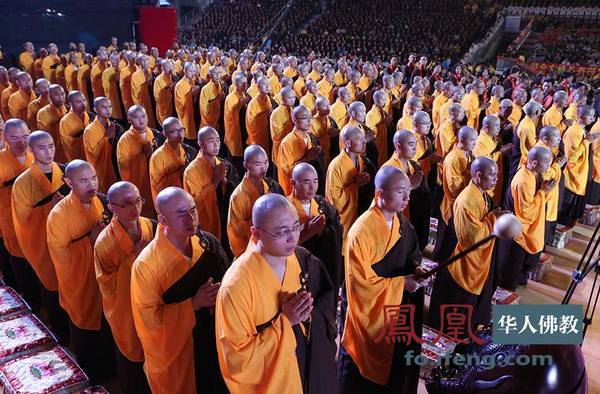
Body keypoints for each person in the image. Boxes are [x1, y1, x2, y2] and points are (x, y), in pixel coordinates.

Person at [216, 193, 337, 394]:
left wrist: (309, 318)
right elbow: (238, 361)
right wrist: (286, 322)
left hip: (308, 367)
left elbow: (324, 312)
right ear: (255, 233)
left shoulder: (301, 259)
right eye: (281, 233)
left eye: (296, 227)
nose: (292, 238)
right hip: (276, 383)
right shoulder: (235, 286)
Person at [338, 166, 429, 394]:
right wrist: (401, 284)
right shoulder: (361, 232)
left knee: (394, 370)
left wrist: (417, 268)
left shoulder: (400, 222)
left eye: (408, 191)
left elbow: (412, 252)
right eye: (400, 192)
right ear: (379, 193)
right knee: (361, 376)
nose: (407, 198)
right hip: (368, 315)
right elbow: (360, 286)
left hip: (394, 310)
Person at [131, 187, 229, 394]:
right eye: (181, 214)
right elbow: (149, 321)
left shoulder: (207, 243)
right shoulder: (146, 264)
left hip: (214, 339)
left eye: (193, 210)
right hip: (181, 351)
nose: (191, 219)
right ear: (163, 220)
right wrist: (193, 304)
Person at [46, 160, 116, 381]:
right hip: (80, 284)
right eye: (84, 180)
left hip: (104, 279)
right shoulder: (58, 215)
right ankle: (92, 377)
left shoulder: (101, 203)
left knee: (108, 328)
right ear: (68, 182)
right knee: (87, 332)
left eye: (93, 178)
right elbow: (61, 256)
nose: (91, 184)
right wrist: (91, 242)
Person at [429, 157, 501, 333]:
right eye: (492, 175)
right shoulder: (466, 200)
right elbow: (472, 237)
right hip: (459, 257)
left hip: (475, 256)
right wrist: (493, 219)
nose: (496, 179)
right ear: (477, 175)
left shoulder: (483, 194)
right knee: (455, 298)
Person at [94, 181, 153, 394]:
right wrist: (132, 260)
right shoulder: (104, 243)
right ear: (111, 207)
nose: (135, 208)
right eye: (127, 204)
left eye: (138, 201)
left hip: (149, 298)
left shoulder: (147, 224)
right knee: (131, 352)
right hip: (125, 308)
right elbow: (107, 285)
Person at [11, 130, 70, 341]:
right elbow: (23, 220)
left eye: (51, 146)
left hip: (66, 241)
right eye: (41, 148)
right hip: (42, 243)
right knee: (51, 284)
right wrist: (50, 209)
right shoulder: (22, 183)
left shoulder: (62, 172)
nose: (48, 152)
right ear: (31, 150)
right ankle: (60, 331)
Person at [501, 146, 555, 290]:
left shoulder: (533, 174)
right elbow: (526, 212)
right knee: (513, 267)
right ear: (535, 163)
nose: (549, 167)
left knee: (522, 266)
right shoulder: (523, 180)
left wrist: (544, 190)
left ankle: (519, 282)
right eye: (547, 163)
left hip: (525, 227)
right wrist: (543, 192)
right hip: (518, 230)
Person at [288, 163, 343, 301]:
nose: (312, 187)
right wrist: (307, 231)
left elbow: (337, 226)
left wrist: (328, 230)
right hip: (299, 268)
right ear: (293, 182)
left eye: (315, 181)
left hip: (324, 264)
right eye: (307, 182)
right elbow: (282, 242)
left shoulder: (322, 204)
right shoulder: (286, 208)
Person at [0, 119, 39, 307]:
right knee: (20, 266)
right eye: (15, 137)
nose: (21, 142)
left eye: (25, 136)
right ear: (5, 137)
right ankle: (28, 303)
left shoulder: (36, 155)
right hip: (11, 221)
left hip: (37, 220)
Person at [183, 126, 239, 256]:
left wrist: (224, 182)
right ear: (200, 143)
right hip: (208, 221)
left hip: (224, 216)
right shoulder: (192, 171)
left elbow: (231, 190)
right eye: (210, 141)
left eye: (218, 140)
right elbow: (195, 203)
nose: (216, 145)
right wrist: (215, 181)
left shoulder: (221, 163)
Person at [227, 145, 283, 257]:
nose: (263, 168)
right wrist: (262, 219)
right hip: (250, 247)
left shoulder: (270, 186)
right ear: (245, 165)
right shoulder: (238, 195)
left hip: (270, 243)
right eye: (258, 164)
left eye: (266, 162)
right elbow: (236, 229)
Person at [325, 125, 375, 248]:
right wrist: (355, 185)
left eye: (364, 139)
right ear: (347, 143)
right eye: (360, 139)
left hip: (361, 213)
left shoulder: (363, 161)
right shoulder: (336, 166)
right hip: (345, 219)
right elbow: (335, 200)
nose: (364, 142)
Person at [435, 126, 477, 261]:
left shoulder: (468, 154)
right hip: (451, 205)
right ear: (461, 140)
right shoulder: (452, 158)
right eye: (472, 141)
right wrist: (468, 174)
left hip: (462, 205)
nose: (475, 144)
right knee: (444, 245)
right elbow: (453, 188)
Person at [384, 129, 431, 250]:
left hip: (413, 215)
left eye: (415, 144)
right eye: (411, 145)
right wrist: (410, 186)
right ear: (398, 146)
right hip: (399, 221)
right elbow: (387, 201)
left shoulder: (411, 165)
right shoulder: (389, 169)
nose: (415, 148)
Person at [117, 105, 163, 218]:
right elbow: (123, 165)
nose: (141, 120)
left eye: (143, 116)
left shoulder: (150, 133)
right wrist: (144, 156)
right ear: (129, 119)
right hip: (139, 181)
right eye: (137, 117)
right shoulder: (124, 140)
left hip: (153, 178)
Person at [559, 105, 598, 227]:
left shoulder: (581, 130)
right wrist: (586, 142)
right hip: (570, 176)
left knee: (571, 212)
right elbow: (571, 158)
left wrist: (587, 140)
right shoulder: (573, 131)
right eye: (590, 116)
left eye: (593, 116)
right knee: (565, 208)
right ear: (581, 117)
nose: (593, 118)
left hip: (579, 175)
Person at [278, 105, 325, 196]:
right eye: (304, 118)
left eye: (310, 118)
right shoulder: (287, 143)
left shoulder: (309, 136)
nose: (309, 121)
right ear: (294, 120)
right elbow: (287, 172)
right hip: (296, 190)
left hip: (310, 186)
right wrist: (307, 158)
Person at [150, 117, 198, 204]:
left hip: (184, 197)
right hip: (168, 202)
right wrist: (179, 173)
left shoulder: (185, 149)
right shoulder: (157, 157)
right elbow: (158, 187)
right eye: (174, 132)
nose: (180, 135)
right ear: (164, 133)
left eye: (181, 130)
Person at [474, 115, 513, 207]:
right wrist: (500, 153)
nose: (499, 128)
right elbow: (483, 165)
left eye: (499, 126)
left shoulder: (492, 137)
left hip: (496, 175)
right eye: (496, 126)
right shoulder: (480, 142)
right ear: (486, 127)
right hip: (487, 180)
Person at [83, 97, 121, 193]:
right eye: (104, 107)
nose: (108, 110)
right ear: (95, 109)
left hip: (114, 166)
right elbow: (93, 154)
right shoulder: (90, 130)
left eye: (110, 106)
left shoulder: (114, 126)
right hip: (101, 169)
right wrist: (107, 138)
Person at [536, 126, 565, 245]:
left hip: (549, 194)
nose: (559, 139)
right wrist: (557, 165)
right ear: (546, 138)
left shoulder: (546, 149)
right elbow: (544, 175)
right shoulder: (539, 151)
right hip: (543, 193)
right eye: (556, 137)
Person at [508, 101, 543, 183]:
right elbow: (531, 148)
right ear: (537, 112)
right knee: (513, 181)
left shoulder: (527, 121)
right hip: (519, 158)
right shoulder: (527, 127)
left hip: (517, 154)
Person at [224, 73, 250, 173]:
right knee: (234, 158)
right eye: (244, 84)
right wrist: (239, 105)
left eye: (246, 83)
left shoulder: (243, 94)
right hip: (235, 131)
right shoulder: (230, 98)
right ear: (237, 85)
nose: (246, 86)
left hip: (243, 129)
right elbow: (229, 117)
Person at [37, 84, 68, 163]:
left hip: (69, 150)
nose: (60, 97)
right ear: (49, 96)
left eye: (62, 94)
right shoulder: (42, 113)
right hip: (55, 153)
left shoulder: (68, 109)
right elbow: (44, 137)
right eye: (56, 94)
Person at [270, 87, 296, 176]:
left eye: (294, 97)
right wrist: (289, 125)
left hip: (291, 148)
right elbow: (275, 136)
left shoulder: (292, 110)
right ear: (282, 98)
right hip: (280, 150)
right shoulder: (276, 113)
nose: (293, 100)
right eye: (290, 98)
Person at [59, 91, 91, 161]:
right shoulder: (65, 122)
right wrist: (86, 135)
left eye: (84, 100)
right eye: (78, 102)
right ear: (70, 104)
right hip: (79, 160)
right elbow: (69, 146)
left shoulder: (88, 115)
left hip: (91, 156)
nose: (83, 104)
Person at [246, 76, 272, 154]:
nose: (267, 87)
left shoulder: (267, 98)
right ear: (258, 86)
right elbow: (250, 123)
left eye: (268, 84)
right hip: (257, 135)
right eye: (264, 84)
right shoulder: (253, 103)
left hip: (266, 132)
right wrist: (264, 113)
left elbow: (269, 112)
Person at [175, 62, 200, 146]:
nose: (193, 73)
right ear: (184, 70)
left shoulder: (192, 82)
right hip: (186, 117)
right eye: (190, 71)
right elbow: (180, 105)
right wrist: (191, 94)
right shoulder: (179, 85)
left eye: (194, 71)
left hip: (194, 114)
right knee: (188, 141)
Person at [310, 96, 339, 167]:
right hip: (321, 156)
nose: (328, 108)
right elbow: (312, 142)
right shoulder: (311, 123)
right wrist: (328, 135)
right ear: (317, 108)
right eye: (324, 106)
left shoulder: (330, 120)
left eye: (329, 104)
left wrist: (337, 133)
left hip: (332, 152)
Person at [367, 90, 393, 166]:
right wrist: (383, 124)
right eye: (383, 99)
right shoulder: (370, 114)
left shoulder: (382, 111)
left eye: (385, 99)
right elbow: (371, 133)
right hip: (377, 143)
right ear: (376, 100)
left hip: (383, 140)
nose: (385, 102)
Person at [131, 55, 157, 128]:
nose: (146, 62)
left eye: (147, 60)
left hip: (151, 98)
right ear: (139, 62)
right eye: (143, 60)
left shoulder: (149, 71)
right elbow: (135, 92)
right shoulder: (135, 75)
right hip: (143, 101)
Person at [199, 66, 225, 131]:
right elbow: (203, 110)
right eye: (215, 73)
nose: (218, 75)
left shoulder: (222, 86)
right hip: (208, 123)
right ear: (210, 75)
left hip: (219, 120)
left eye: (219, 73)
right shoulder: (205, 89)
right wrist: (217, 100)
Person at [101, 53, 124, 122]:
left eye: (118, 59)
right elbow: (105, 87)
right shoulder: (106, 72)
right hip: (113, 96)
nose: (117, 61)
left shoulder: (121, 70)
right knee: (116, 114)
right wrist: (112, 81)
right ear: (110, 60)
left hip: (121, 94)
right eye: (115, 59)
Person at [153, 59, 175, 125]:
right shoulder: (158, 80)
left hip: (171, 106)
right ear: (162, 68)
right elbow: (157, 98)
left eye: (171, 67)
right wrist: (168, 90)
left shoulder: (171, 76)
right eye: (168, 67)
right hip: (163, 109)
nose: (170, 70)